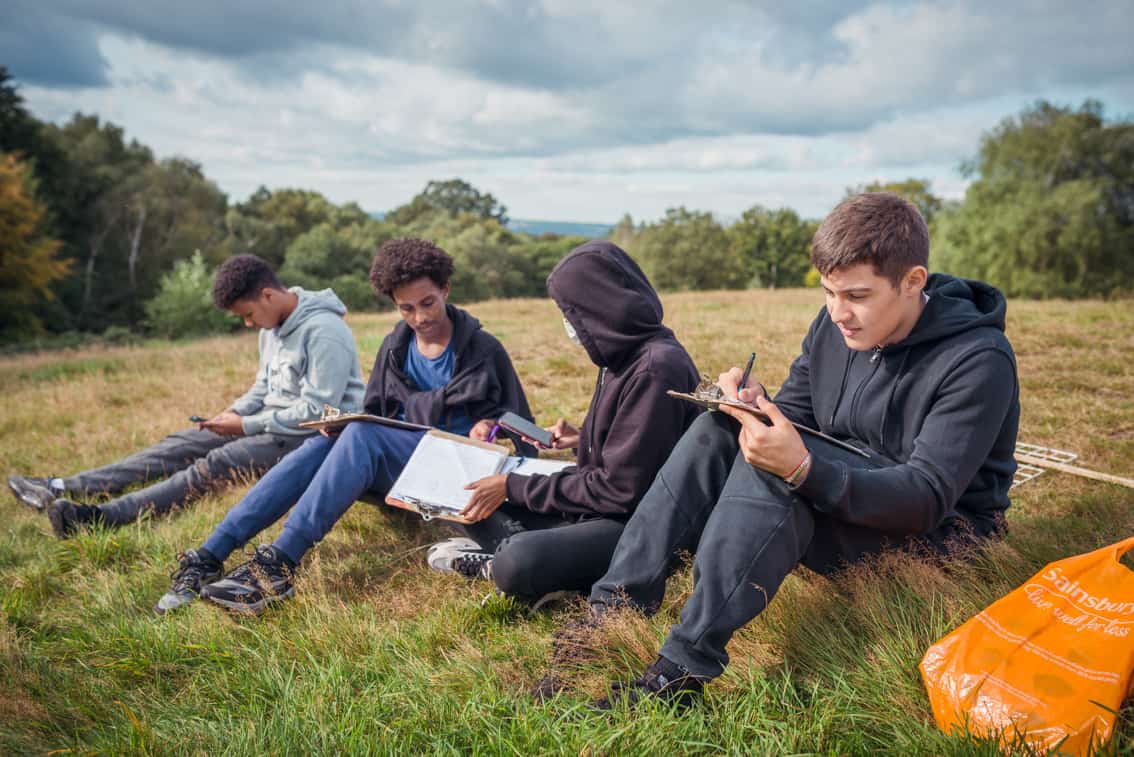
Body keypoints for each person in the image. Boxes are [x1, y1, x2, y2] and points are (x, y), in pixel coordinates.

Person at [539, 193, 1021, 709]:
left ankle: (679, 673)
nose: (839, 313)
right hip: (848, 490)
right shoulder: (834, 325)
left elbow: (926, 497)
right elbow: (797, 416)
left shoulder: (977, 360)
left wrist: (802, 467)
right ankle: (610, 614)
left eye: (856, 295)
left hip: (938, 538)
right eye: (829, 292)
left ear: (912, 281)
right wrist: (753, 408)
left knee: (775, 471)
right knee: (718, 432)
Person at [155, 237, 535, 614]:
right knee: (324, 443)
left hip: (457, 470)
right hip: (401, 469)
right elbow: (375, 409)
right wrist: (339, 426)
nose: (419, 318)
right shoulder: (394, 348)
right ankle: (208, 555)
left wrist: (488, 426)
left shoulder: (484, 349)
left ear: (446, 289)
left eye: (428, 303)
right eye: (406, 308)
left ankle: (278, 565)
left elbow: (518, 425)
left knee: (363, 434)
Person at [8, 254, 366, 538]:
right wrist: (231, 414)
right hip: (271, 423)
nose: (248, 324)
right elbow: (263, 387)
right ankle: (59, 486)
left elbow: (320, 409)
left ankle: (100, 517)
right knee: (178, 444)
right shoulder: (271, 327)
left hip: (311, 435)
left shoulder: (323, 331)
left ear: (268, 295)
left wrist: (246, 426)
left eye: (248, 314)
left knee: (216, 464)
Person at [425, 241, 701, 608]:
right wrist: (582, 439)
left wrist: (513, 486)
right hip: (599, 509)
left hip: (640, 528)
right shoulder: (621, 355)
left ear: (598, 306)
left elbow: (620, 491)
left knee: (517, 559)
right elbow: (635, 448)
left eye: (570, 311)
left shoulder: (654, 368)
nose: (569, 323)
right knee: (468, 497)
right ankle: (552, 568)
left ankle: (503, 566)